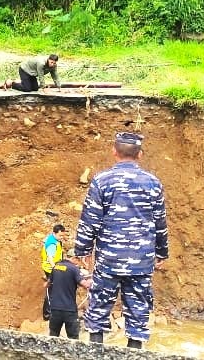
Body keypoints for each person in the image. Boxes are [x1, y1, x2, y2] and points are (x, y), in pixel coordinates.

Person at [72, 132, 168, 349]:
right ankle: (133, 353)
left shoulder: (102, 181)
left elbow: (90, 219)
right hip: (141, 261)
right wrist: (162, 252)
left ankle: (96, 352)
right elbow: (160, 222)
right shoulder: (153, 183)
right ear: (140, 154)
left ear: (113, 151)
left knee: (98, 309)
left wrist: (83, 250)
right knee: (138, 311)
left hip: (109, 260)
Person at [48, 255, 92, 339]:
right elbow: (84, 284)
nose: (78, 263)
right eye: (78, 260)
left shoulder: (56, 267)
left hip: (55, 308)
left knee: (53, 336)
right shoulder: (74, 269)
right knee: (73, 338)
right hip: (69, 309)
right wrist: (91, 281)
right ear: (74, 258)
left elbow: (47, 283)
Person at [40, 224, 68, 320]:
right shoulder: (52, 244)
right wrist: (55, 269)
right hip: (50, 269)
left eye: (63, 235)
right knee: (51, 291)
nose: (62, 237)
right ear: (54, 233)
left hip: (54, 266)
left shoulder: (54, 240)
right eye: (60, 235)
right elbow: (50, 258)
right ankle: (47, 315)